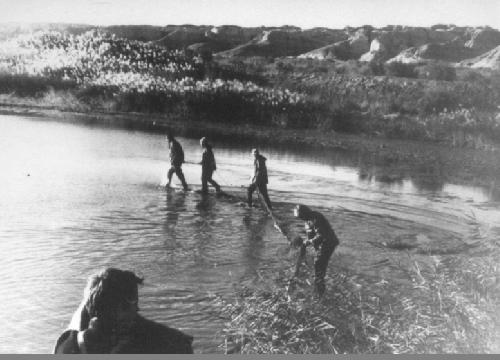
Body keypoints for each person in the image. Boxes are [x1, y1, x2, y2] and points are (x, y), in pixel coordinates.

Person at [53, 268, 194, 354]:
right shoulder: (136, 346)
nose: (137, 309)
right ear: (119, 307)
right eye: (134, 302)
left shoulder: (66, 344)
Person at [293, 205, 339, 298]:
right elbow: (310, 235)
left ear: (305, 213)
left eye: (301, 216)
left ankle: (320, 292)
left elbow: (321, 236)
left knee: (319, 264)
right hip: (321, 245)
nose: (301, 219)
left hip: (328, 243)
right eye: (299, 217)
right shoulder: (307, 221)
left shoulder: (316, 218)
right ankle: (318, 286)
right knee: (317, 264)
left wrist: (309, 242)